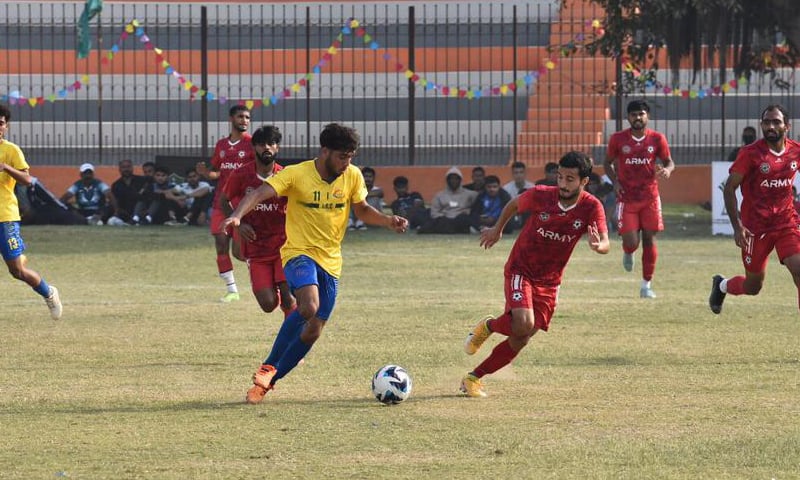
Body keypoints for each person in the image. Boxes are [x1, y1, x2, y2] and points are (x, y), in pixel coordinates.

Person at [220, 123, 408, 404]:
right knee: (308, 306)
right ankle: (269, 364)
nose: (347, 163)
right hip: (298, 253)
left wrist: (387, 220)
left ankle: (268, 382)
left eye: (351, 156)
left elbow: (362, 209)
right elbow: (258, 193)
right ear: (325, 152)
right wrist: (237, 216)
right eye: (342, 156)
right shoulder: (297, 174)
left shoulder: (353, 176)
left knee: (313, 329)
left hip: (331, 260)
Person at [460, 151, 609, 397]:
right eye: (560, 177)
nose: (562, 184)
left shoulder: (592, 206)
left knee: (522, 337)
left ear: (584, 181)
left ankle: (473, 378)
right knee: (523, 323)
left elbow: (605, 242)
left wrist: (597, 246)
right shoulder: (542, 195)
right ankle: (489, 327)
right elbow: (515, 204)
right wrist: (498, 230)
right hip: (521, 268)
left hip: (550, 282)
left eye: (570, 179)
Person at [222, 125, 297, 390]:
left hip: (285, 247)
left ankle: (290, 347)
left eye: (272, 144)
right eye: (262, 144)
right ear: (254, 148)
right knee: (268, 304)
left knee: (289, 298)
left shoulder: (286, 176)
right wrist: (239, 223)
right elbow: (224, 201)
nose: (267, 148)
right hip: (257, 250)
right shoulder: (241, 176)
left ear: (278, 148)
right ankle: (284, 307)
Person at [710, 104, 800, 315]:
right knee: (753, 287)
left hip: (786, 223)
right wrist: (737, 226)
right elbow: (729, 188)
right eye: (766, 122)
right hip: (755, 228)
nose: (770, 126)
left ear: (786, 126)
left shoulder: (795, 151)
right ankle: (722, 285)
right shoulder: (750, 154)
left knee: (798, 268)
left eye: (776, 122)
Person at [603, 99, 675, 299]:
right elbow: (607, 163)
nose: (637, 117)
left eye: (641, 114)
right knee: (632, 241)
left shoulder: (657, 139)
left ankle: (646, 285)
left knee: (649, 239)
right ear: (628, 117)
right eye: (634, 114)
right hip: (626, 198)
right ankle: (628, 250)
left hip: (650, 197)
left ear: (647, 117)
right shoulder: (618, 139)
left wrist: (667, 171)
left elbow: (669, 161)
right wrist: (615, 181)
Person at [0, 103, 63, 320]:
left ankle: (48, 292)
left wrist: (6, 168)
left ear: (6, 126)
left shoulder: (11, 150)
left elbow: (27, 180)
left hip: (5, 216)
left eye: (1, 123)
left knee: (16, 271)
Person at [197, 105, 255, 302]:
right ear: (232, 119)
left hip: (243, 204)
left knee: (240, 252)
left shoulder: (252, 144)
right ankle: (232, 290)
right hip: (221, 202)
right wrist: (206, 173)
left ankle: (263, 280)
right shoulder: (221, 145)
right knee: (220, 244)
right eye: (241, 117)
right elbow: (216, 172)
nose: (244, 120)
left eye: (247, 117)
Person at [417, 166, 477, 234]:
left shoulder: (470, 194)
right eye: (451, 179)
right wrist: (444, 216)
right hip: (444, 220)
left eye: (456, 179)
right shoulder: (439, 195)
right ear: (447, 180)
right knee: (438, 221)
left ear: (460, 180)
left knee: (464, 219)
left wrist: (468, 211)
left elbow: (478, 207)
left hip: (460, 219)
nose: (453, 181)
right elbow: (434, 213)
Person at [111, 159, 149, 225]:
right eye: (123, 167)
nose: (126, 169)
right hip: (124, 214)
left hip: (140, 213)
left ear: (132, 168)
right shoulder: (116, 185)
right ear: (119, 169)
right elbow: (115, 201)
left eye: (128, 167)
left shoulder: (142, 181)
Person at [348, 166, 384, 230]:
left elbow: (379, 193)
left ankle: (361, 221)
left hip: (373, 217)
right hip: (357, 215)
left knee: (374, 198)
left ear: (373, 178)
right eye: (365, 176)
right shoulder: (356, 189)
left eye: (370, 177)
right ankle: (351, 222)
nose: (367, 179)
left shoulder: (378, 190)